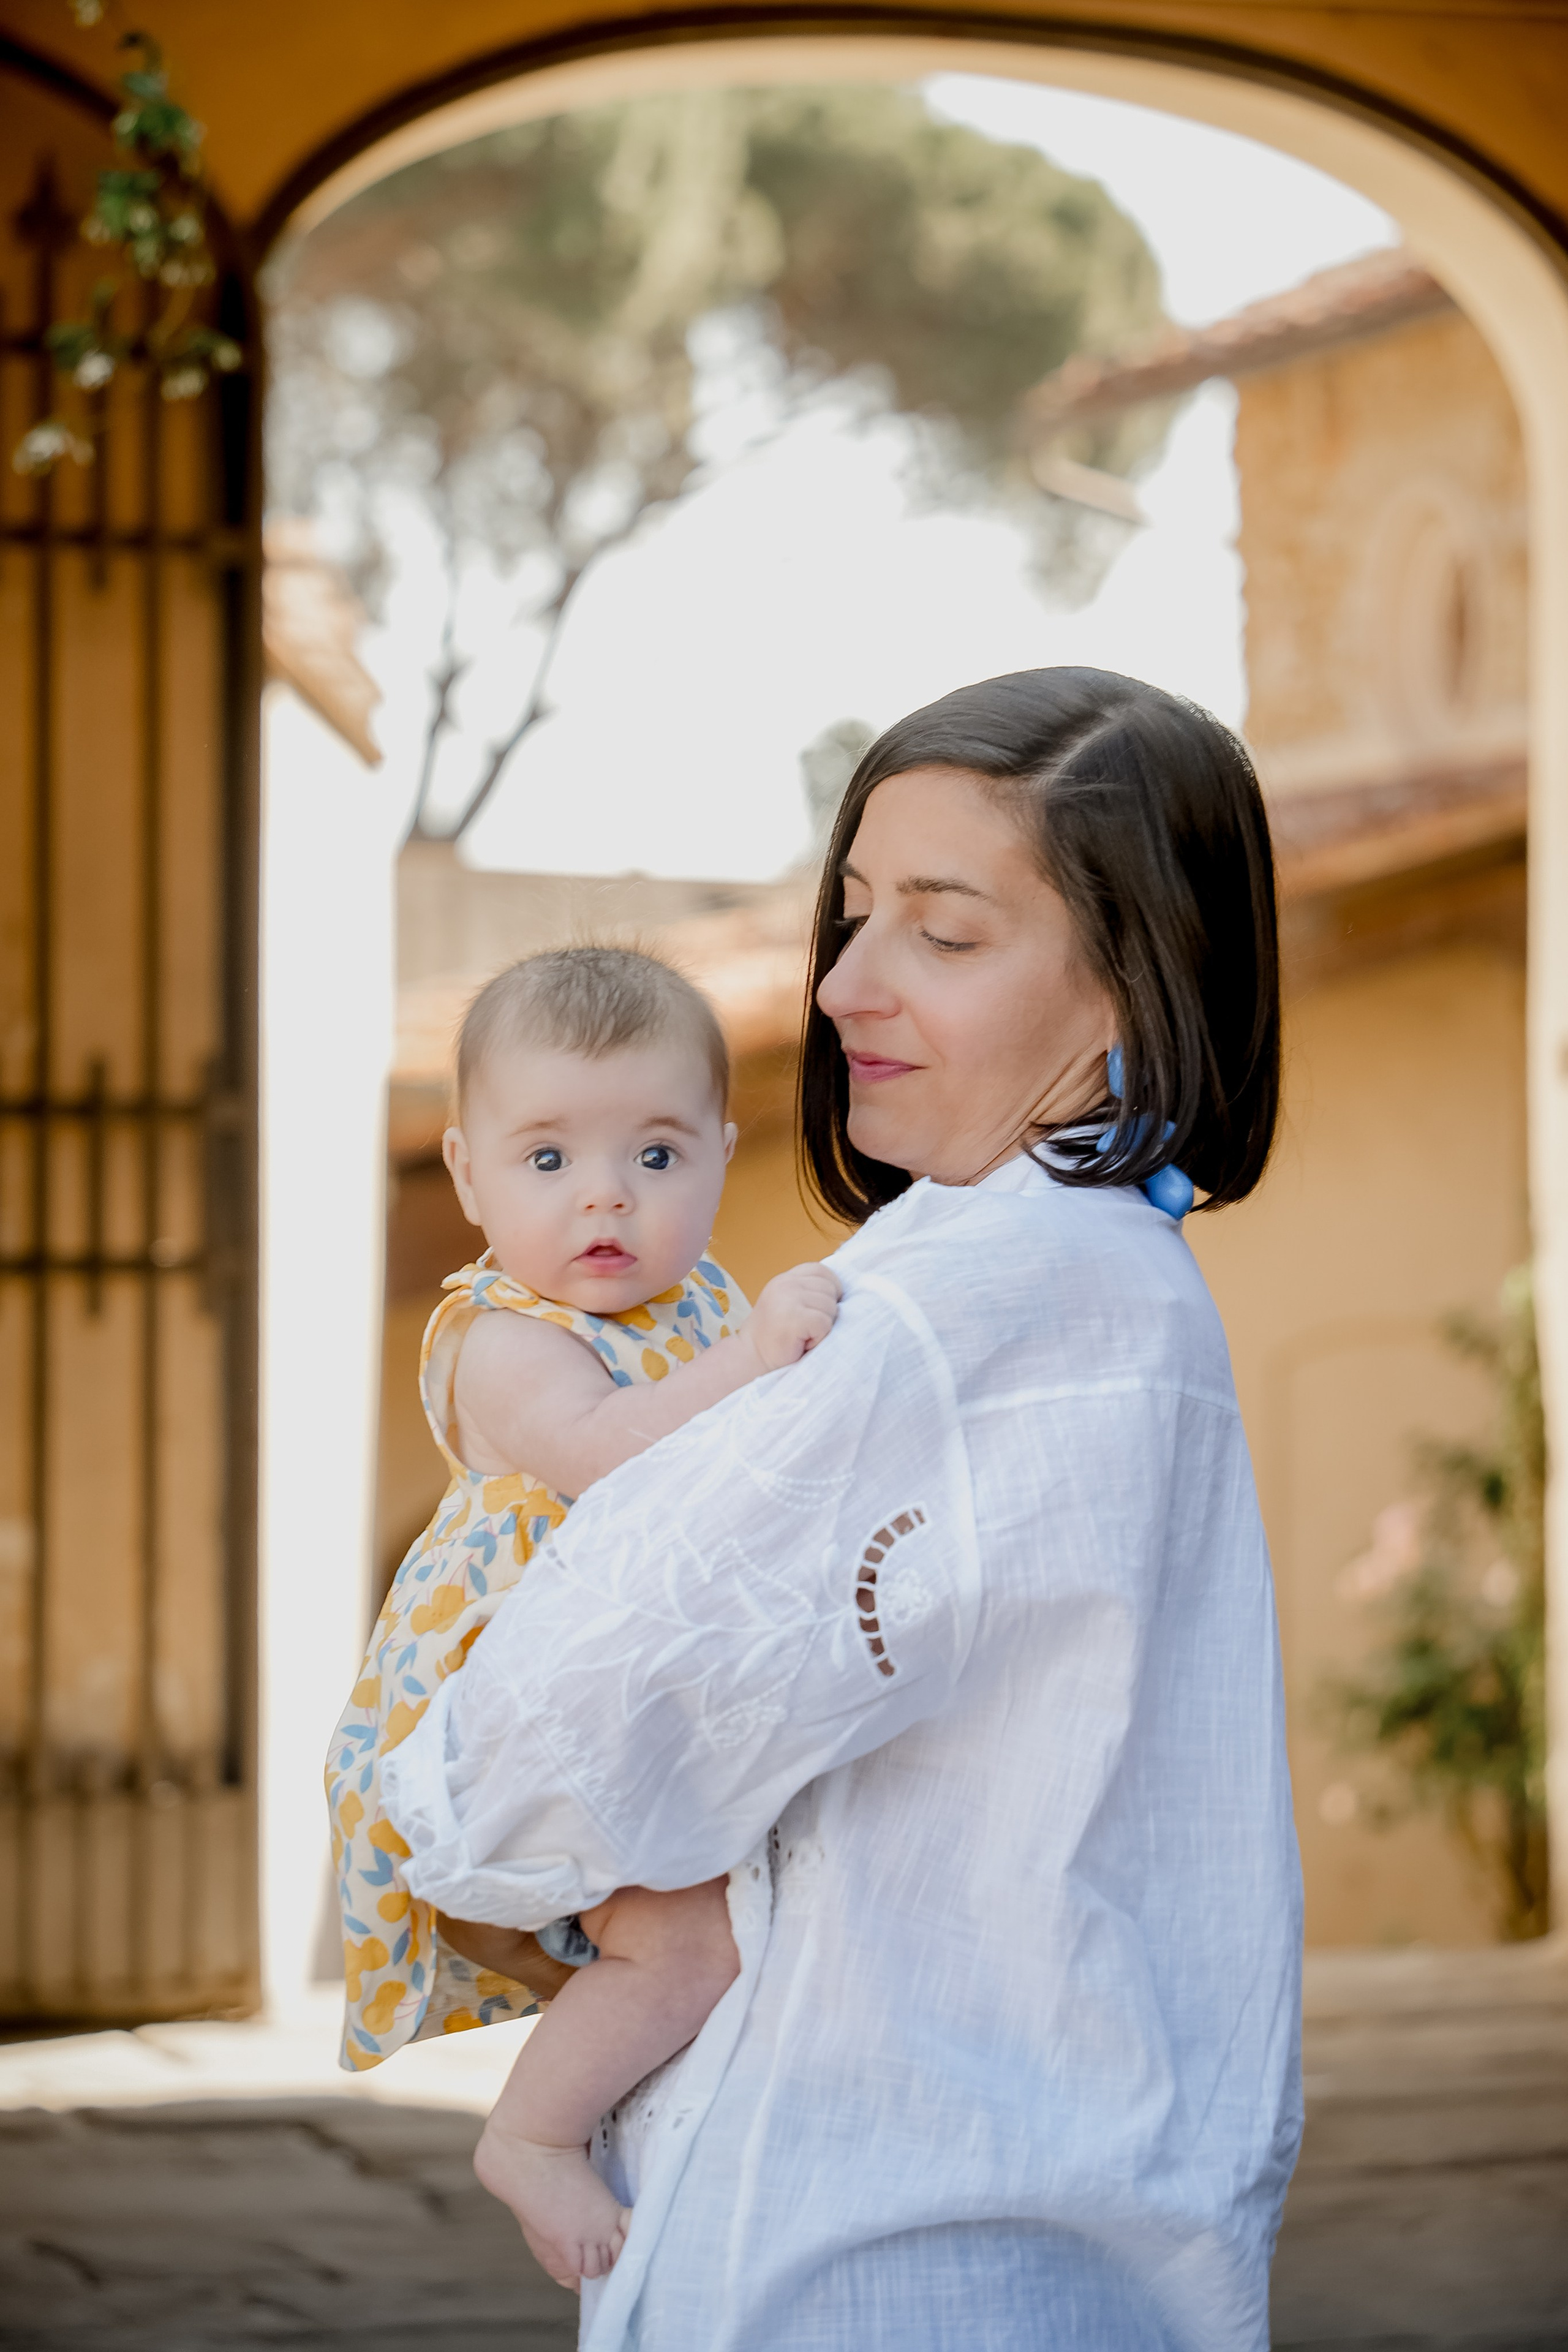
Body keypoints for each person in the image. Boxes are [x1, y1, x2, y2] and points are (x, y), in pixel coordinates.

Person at [382, 667, 1304, 2351]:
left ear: (1131, 988)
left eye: (943, 936)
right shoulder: (1107, 1285)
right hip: (1037, 2237)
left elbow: (521, 1780)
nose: (840, 981)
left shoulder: (951, 1312)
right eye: (856, 912)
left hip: (858, 2250)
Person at [325, 946, 839, 2283]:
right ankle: (533, 2137)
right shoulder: (503, 1338)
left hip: (630, 1696)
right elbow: (613, 1450)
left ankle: (610, 2065)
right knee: (685, 1945)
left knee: (720, 1936)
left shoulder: (697, 1309)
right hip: (524, 1716)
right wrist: (759, 1360)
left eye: (656, 1155)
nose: (605, 1193)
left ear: (723, 1156)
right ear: (467, 1174)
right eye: (547, 1158)